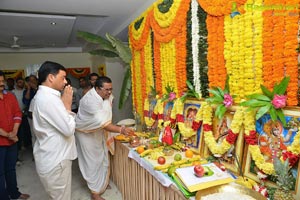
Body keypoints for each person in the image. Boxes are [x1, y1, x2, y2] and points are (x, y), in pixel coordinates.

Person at [75, 76, 133, 200]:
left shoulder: (104, 97)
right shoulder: (90, 101)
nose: (109, 92)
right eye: (106, 89)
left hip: (98, 131)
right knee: (91, 162)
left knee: (102, 156)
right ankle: (94, 192)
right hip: (85, 133)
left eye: (111, 89)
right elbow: (104, 123)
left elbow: (104, 119)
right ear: (97, 88)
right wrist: (121, 129)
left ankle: (101, 184)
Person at [30, 61, 77, 200]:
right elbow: (68, 129)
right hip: (57, 160)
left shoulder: (47, 96)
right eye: (62, 77)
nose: (65, 82)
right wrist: (67, 106)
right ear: (51, 77)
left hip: (52, 155)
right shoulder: (48, 99)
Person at [0, 70, 30, 200]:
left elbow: (17, 113)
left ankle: (14, 193)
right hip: (1, 142)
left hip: (12, 140)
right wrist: (8, 134)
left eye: (2, 81)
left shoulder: (10, 96)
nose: (1, 84)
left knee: (11, 169)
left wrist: (14, 131)